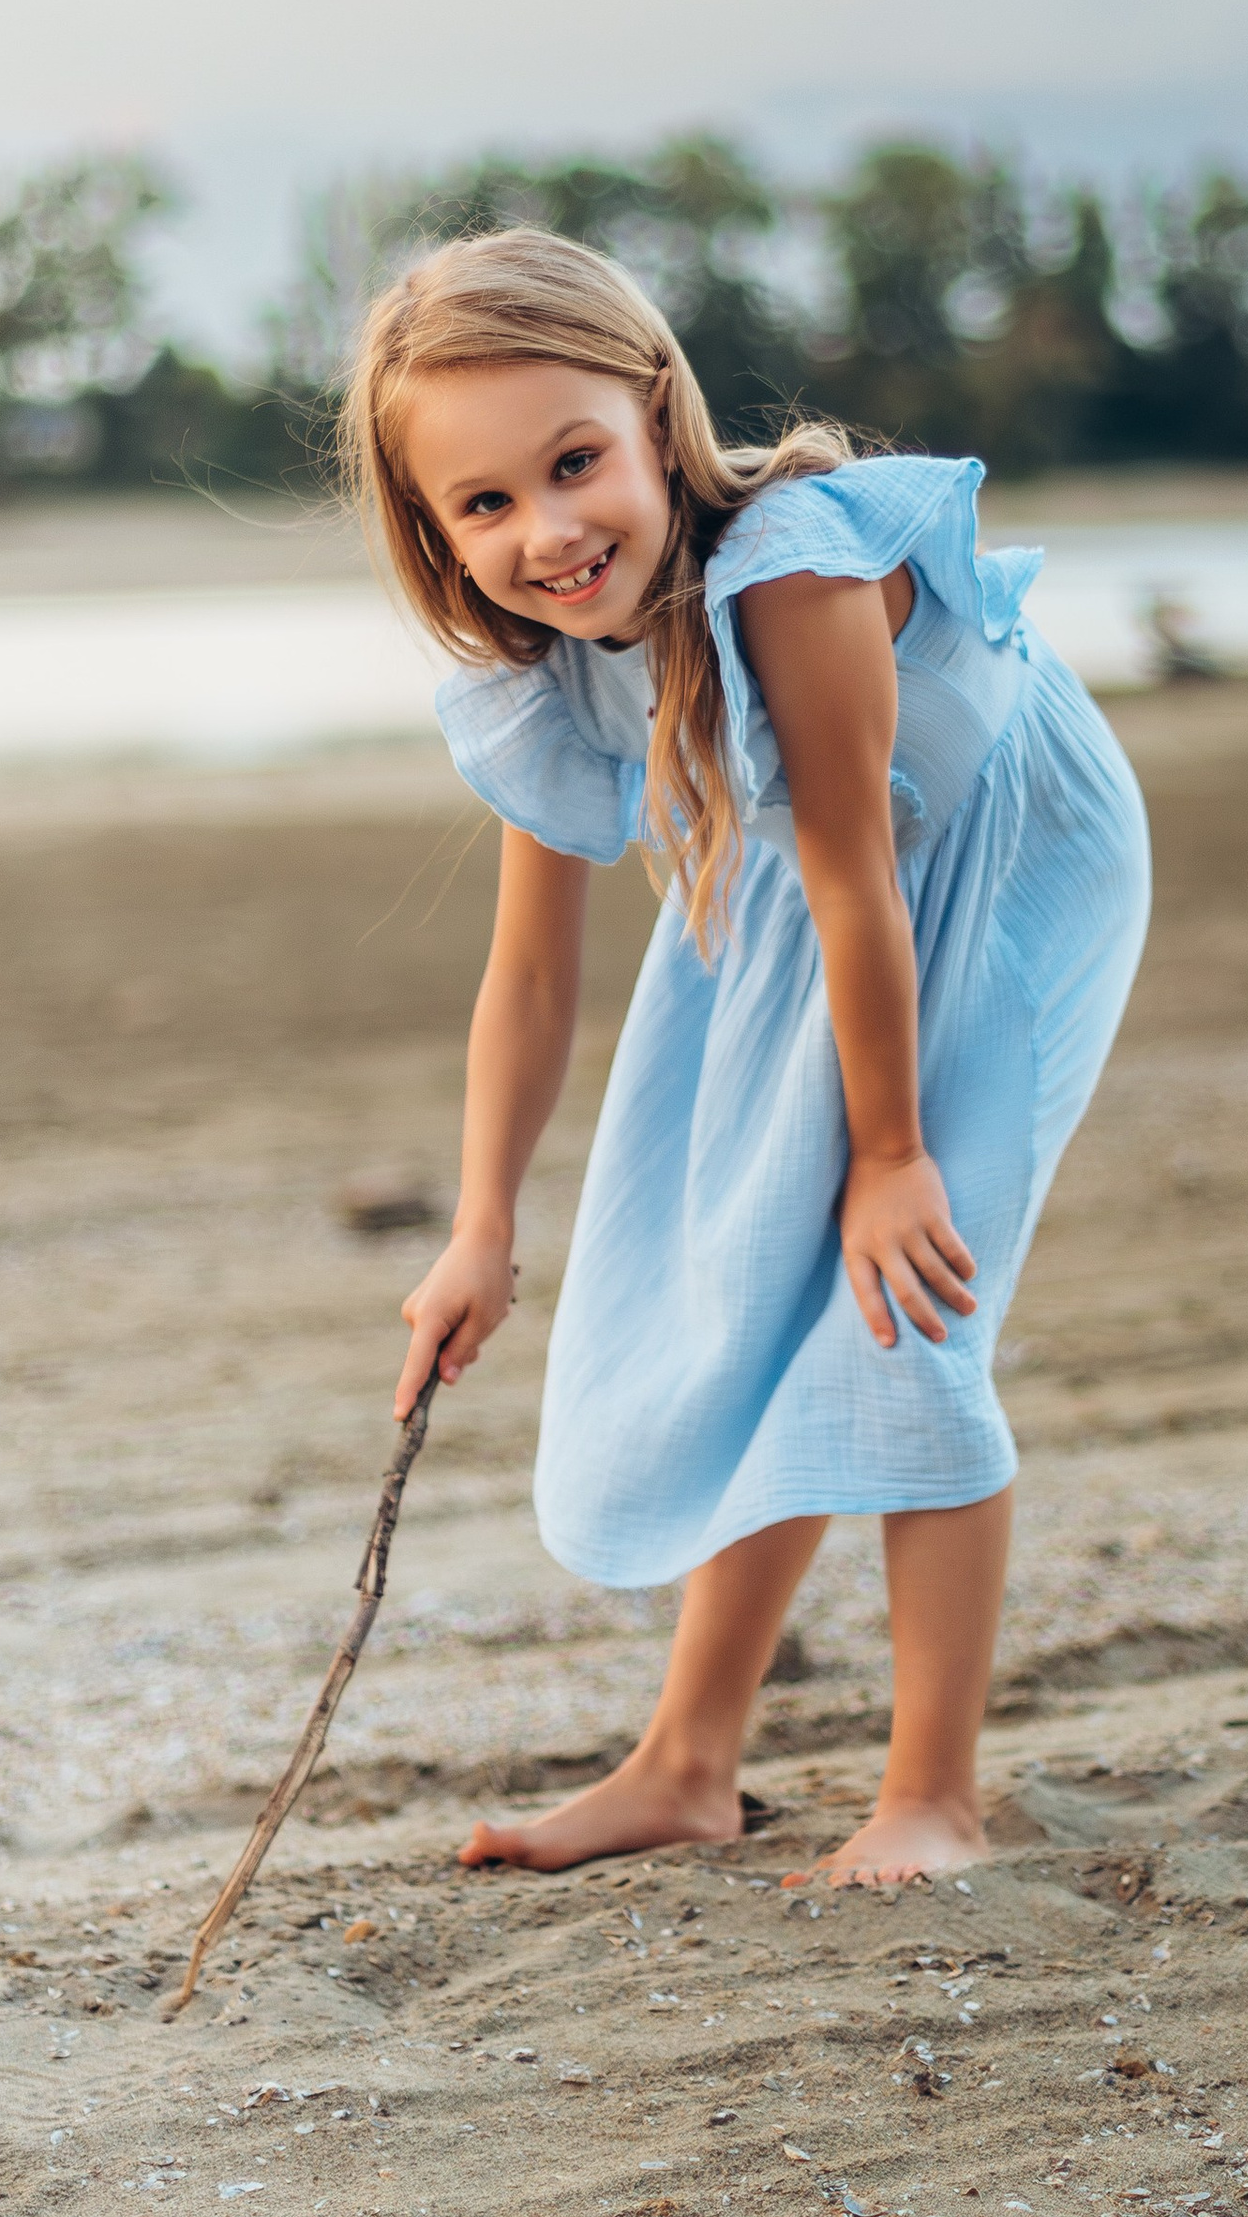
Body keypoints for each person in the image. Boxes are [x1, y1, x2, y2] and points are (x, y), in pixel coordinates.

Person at [343, 229, 1150, 1884]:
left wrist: (891, 1157)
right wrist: (482, 1228)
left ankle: (932, 1796)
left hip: (996, 857)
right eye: (485, 503)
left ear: (656, 414)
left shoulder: (793, 569)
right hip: (803, 870)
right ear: (436, 529)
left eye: (575, 463)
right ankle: (687, 1764)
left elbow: (862, 867)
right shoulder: (543, 656)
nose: (548, 532)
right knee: (755, 1278)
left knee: (903, 1305)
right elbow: (530, 971)